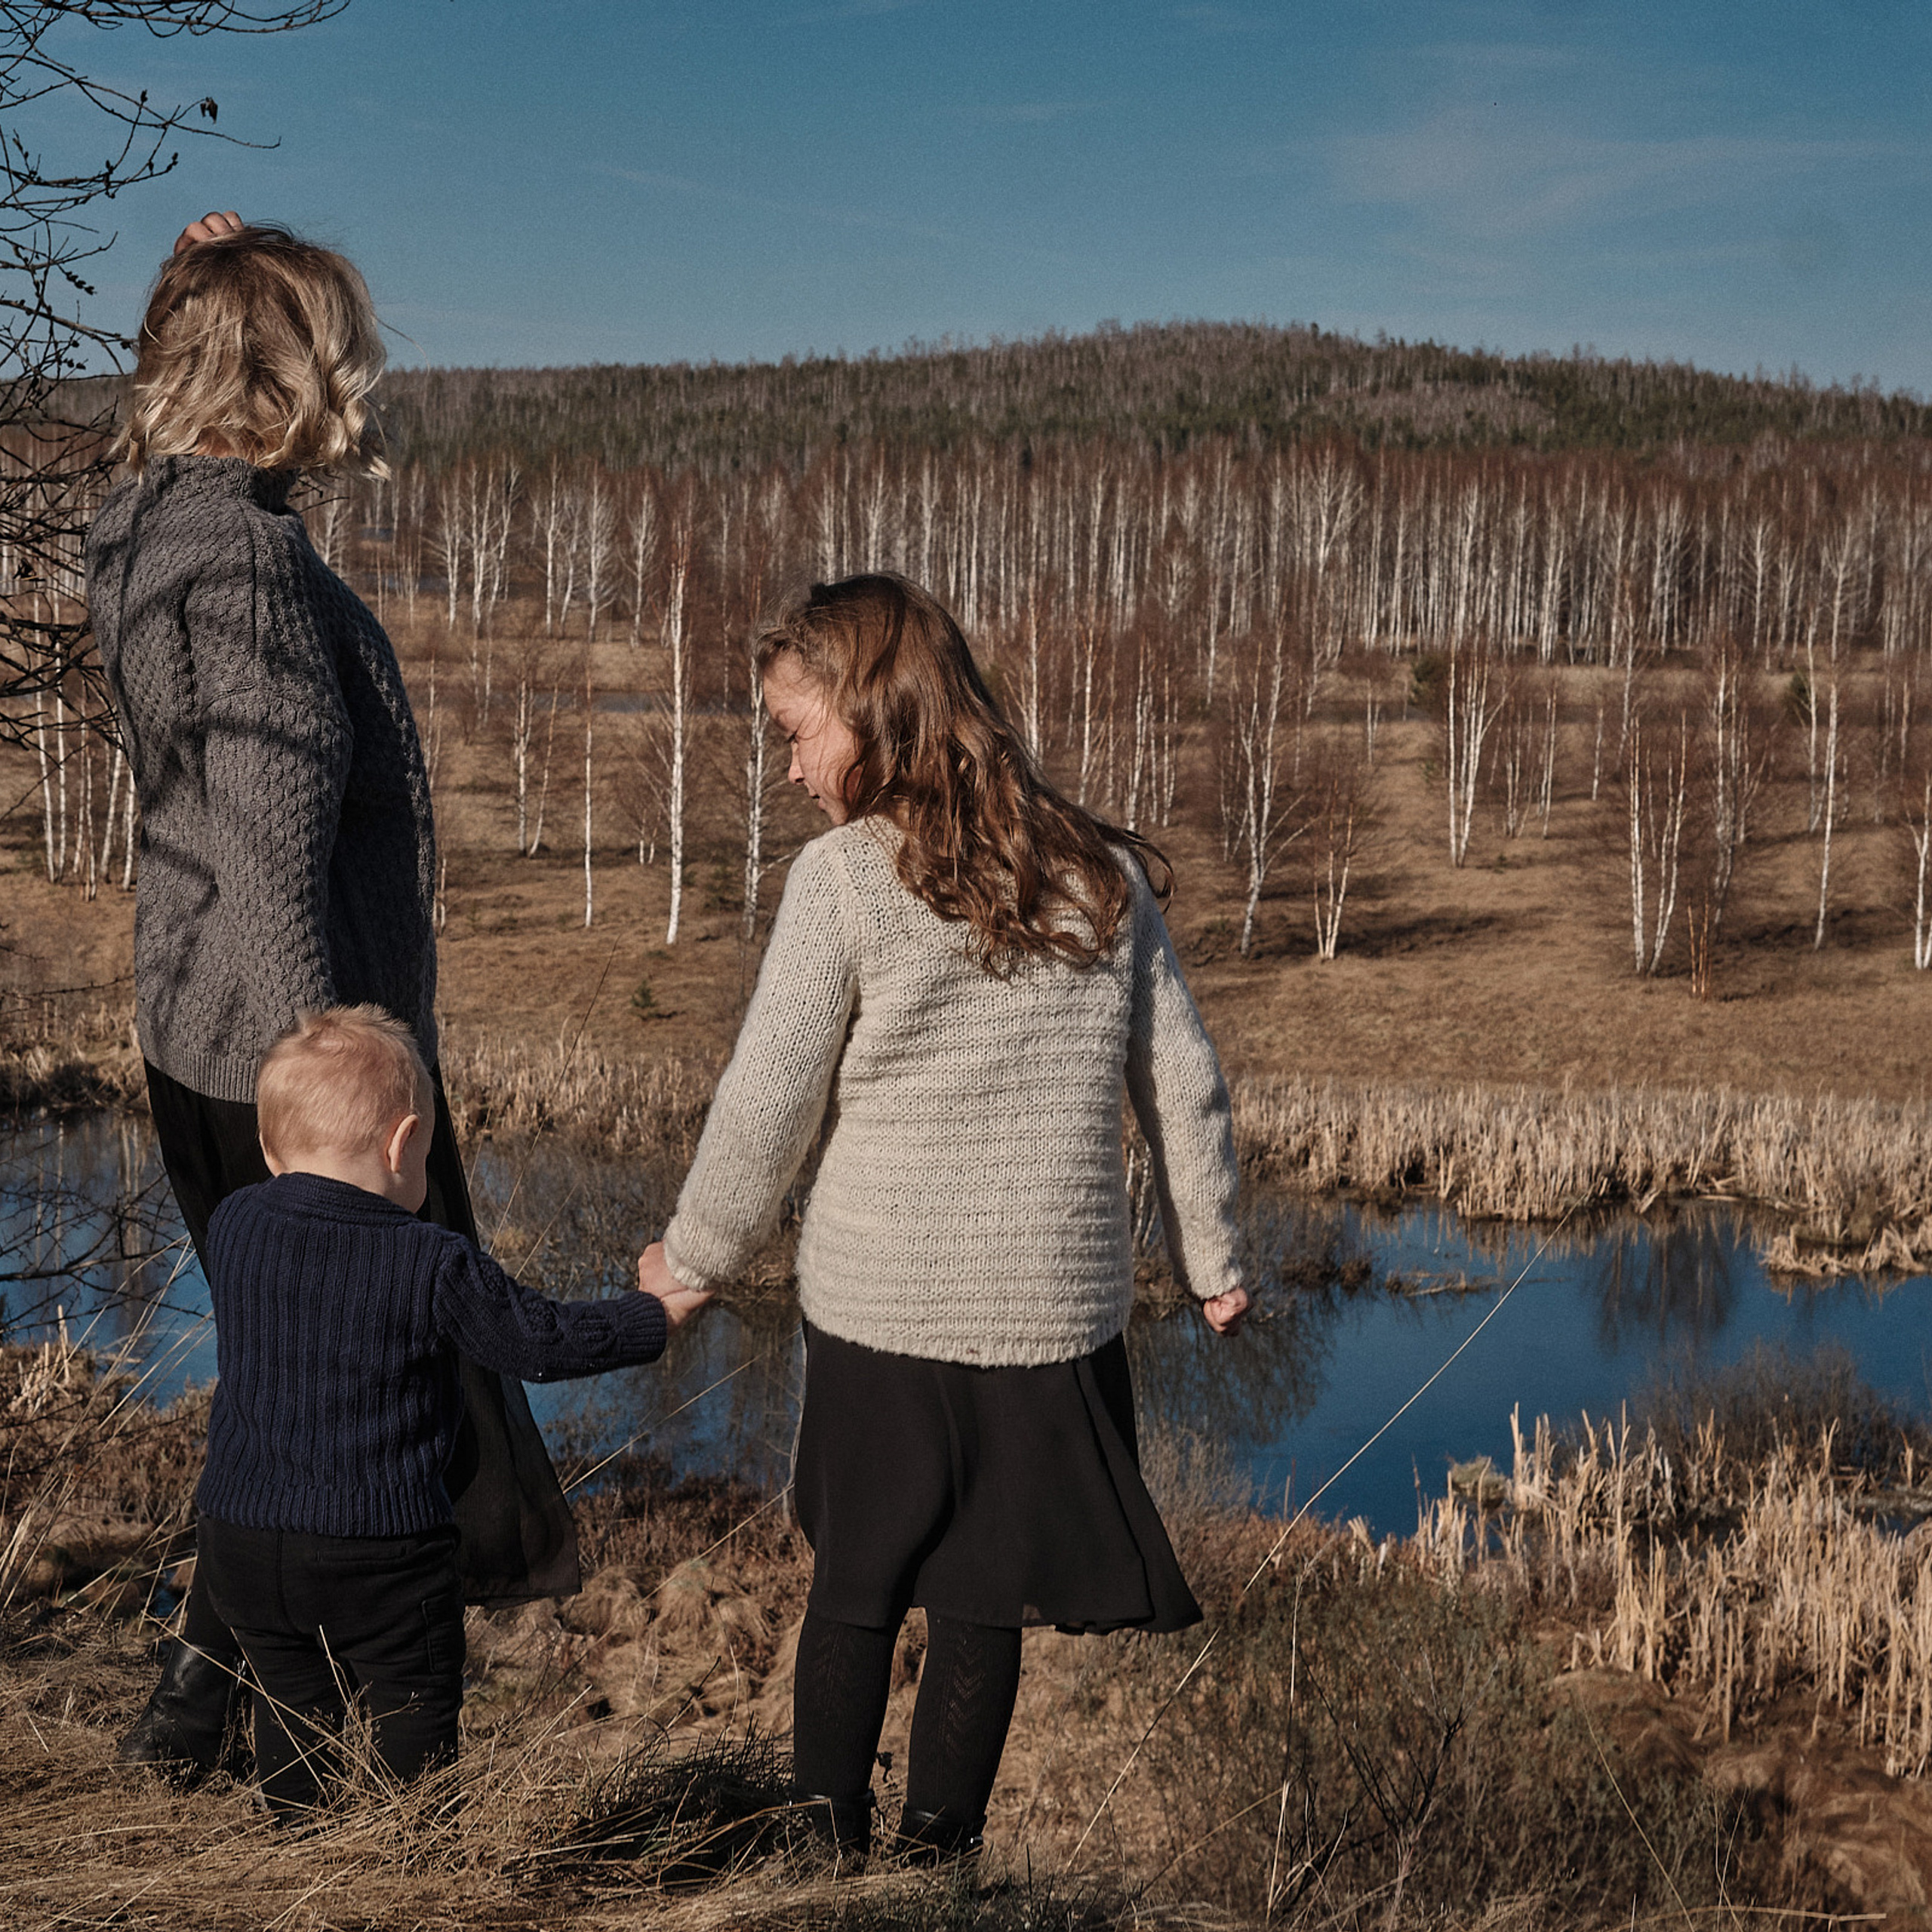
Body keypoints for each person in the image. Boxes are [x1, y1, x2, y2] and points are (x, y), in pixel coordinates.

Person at [638, 574, 1248, 1863]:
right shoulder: (1101, 875)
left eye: (800, 732)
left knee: (857, 1587)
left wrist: (693, 1258)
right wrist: (1213, 1258)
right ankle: (936, 1858)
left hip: (884, 1311)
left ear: (884, 716)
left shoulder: (845, 884)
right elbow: (1183, 1080)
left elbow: (767, 1104)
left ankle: (820, 1851)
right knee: (984, 1601)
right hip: (1052, 1314)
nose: (792, 767)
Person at [82, 216, 582, 1778]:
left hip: (207, 1044)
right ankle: (333, 1763)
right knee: (384, 1420)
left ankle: (200, 1714)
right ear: (300, 374)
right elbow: (269, 851)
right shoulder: (238, 571)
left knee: (298, 1409)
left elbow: (154, 462)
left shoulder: (153, 531)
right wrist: (348, 1123)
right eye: (340, 344)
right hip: (292, 1072)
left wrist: (186, 288)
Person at [194, 1007, 708, 1820]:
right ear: (403, 1145)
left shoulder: (234, 1224)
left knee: (291, 1709)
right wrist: (654, 1314)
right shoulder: (430, 1260)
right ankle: (415, 1860)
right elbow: (541, 1341)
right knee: (413, 1715)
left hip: (241, 1543)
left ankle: (295, 1848)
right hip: (379, 1555)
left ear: (270, 1148)